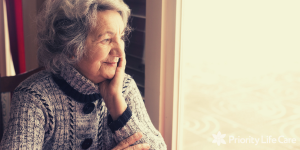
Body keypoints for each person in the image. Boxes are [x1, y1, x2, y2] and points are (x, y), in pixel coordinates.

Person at [0, 0, 167, 149]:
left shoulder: (125, 88)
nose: (120, 51)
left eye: (121, 37)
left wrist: (118, 106)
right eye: (107, 40)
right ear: (73, 48)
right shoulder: (34, 97)